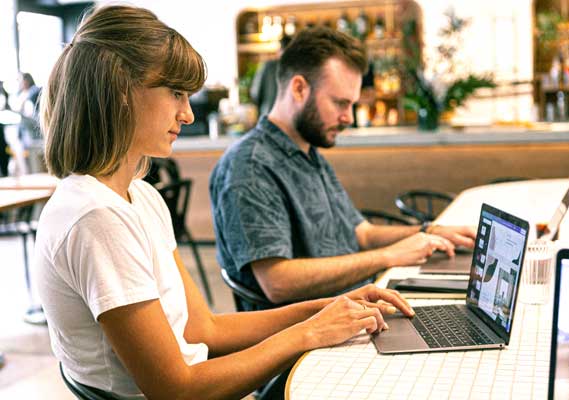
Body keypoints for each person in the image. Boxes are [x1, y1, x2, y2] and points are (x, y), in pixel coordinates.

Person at [33, 6, 414, 399]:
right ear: (120, 90)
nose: (187, 114)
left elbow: (205, 331)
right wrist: (309, 332)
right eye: (176, 93)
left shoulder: (139, 195)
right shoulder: (97, 217)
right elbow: (175, 390)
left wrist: (330, 306)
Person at [210, 27, 476, 310]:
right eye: (340, 103)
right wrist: (388, 256)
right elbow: (278, 282)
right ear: (299, 88)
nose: (348, 117)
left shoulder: (308, 152)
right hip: (306, 335)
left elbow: (361, 233)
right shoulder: (250, 166)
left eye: (352, 104)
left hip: (356, 307)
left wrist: (429, 232)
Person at [250, 35, 292, 117]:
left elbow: (255, 93)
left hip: (268, 116)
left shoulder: (268, 66)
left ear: (279, 50)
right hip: (290, 120)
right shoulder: (297, 67)